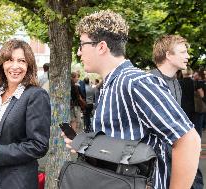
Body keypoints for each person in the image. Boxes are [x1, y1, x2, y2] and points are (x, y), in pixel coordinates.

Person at [63, 10, 200, 189]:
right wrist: (84, 145)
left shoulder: (135, 82)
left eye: (82, 45)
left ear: (101, 46)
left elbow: (188, 140)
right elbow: (121, 143)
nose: (79, 52)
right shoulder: (110, 84)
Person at [0, 39, 51, 189]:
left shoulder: (36, 95)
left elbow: (38, 145)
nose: (15, 66)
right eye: (10, 60)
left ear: (29, 66)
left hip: (14, 182)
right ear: (2, 64)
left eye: (21, 61)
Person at [151, 35, 203, 189]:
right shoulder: (150, 81)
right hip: (158, 158)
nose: (187, 56)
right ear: (168, 54)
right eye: (182, 52)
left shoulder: (175, 82)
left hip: (175, 151)